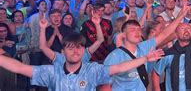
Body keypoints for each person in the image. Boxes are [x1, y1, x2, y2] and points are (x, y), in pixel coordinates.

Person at [0, 32, 164, 91]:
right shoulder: (51, 72)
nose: (75, 51)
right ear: (63, 52)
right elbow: (19, 67)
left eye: (79, 47)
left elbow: (120, 67)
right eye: (70, 48)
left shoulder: (92, 70)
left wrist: (145, 59)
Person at [103, 5, 190, 90]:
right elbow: (104, 86)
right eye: (133, 30)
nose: (137, 32)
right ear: (124, 34)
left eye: (138, 30)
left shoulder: (144, 46)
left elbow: (165, 33)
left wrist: (180, 16)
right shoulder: (114, 56)